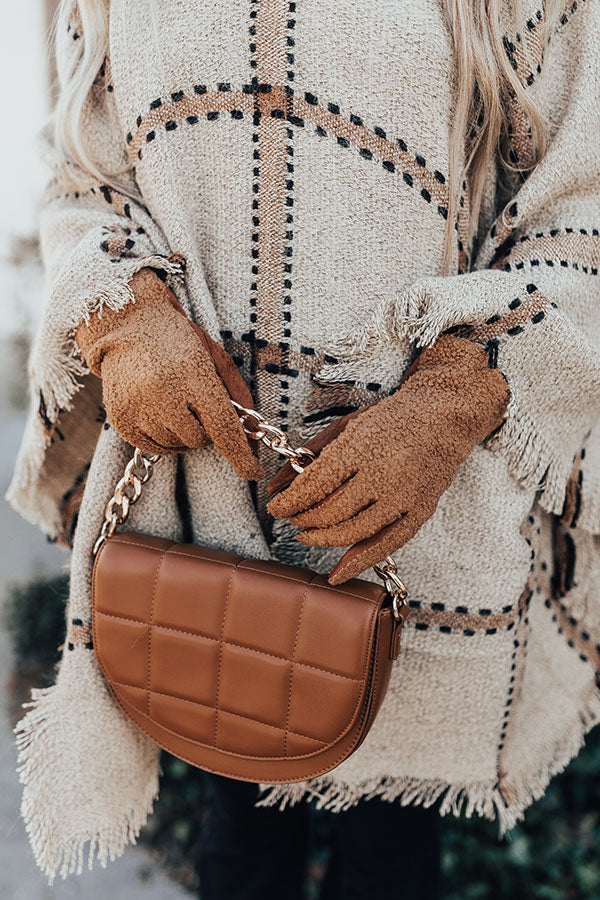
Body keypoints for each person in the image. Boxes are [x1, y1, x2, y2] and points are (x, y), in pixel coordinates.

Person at [6, 0, 600, 896]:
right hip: (200, 515)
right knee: (238, 839)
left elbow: (580, 210)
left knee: (391, 862)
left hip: (422, 521)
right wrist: (121, 316)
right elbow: (87, 180)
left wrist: (458, 391)